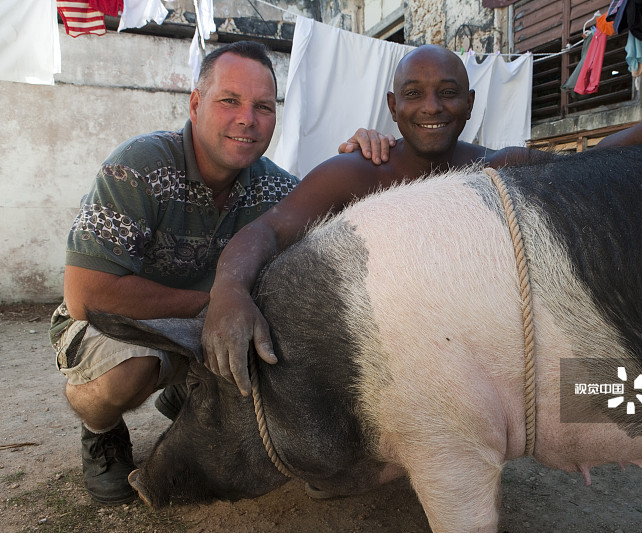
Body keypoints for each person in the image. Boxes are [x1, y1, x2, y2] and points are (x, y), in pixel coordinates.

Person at [201, 44, 642, 399]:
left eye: (448, 93)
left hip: (460, 373)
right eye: (414, 94)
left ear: (470, 104)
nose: (431, 106)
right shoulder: (355, 172)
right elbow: (269, 229)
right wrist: (229, 291)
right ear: (393, 106)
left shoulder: (495, 169)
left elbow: (586, 166)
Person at [49, 41, 391, 505]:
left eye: (263, 107)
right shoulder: (140, 166)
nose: (247, 118)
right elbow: (85, 294)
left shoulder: (277, 187)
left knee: (291, 335)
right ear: (195, 104)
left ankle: (194, 393)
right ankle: (101, 431)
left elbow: (346, 232)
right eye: (230, 100)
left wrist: (367, 158)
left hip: (213, 327)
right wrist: (214, 304)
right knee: (129, 371)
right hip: (122, 325)